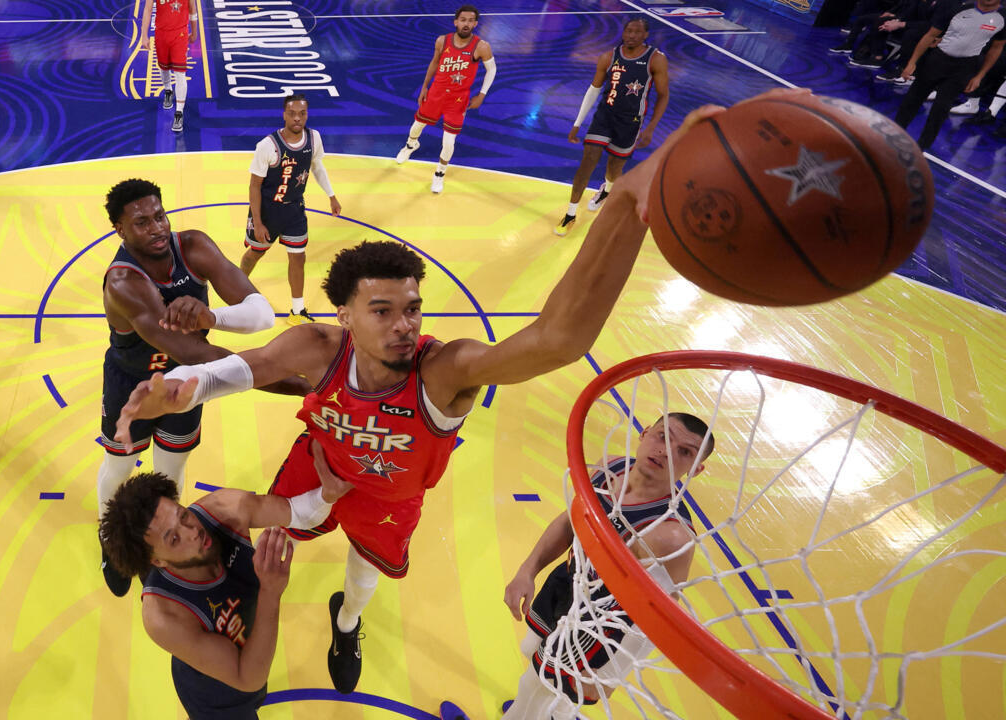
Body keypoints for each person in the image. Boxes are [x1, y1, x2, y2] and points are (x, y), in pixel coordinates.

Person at [112, 93, 762, 694]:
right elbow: (244, 368)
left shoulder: (445, 372)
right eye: (382, 311)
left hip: (390, 495)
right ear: (345, 315)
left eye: (413, 309)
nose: (404, 326)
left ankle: (347, 623)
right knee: (265, 521)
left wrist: (626, 205)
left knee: (363, 575)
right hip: (321, 464)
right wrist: (184, 389)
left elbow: (559, 339)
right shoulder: (316, 346)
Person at [98, 177, 308, 597]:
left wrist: (212, 317)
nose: (157, 228)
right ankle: (111, 541)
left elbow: (260, 313)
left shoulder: (192, 246)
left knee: (171, 467)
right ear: (120, 230)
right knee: (121, 466)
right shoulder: (124, 282)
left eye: (159, 216)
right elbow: (197, 353)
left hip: (186, 384)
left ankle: (164, 541)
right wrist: (301, 385)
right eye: (142, 223)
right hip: (134, 385)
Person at [98, 439, 353, 719]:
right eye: (174, 539)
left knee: (258, 691)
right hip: (216, 698)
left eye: (183, 516)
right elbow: (247, 677)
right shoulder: (163, 617)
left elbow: (298, 513)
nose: (192, 531)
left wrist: (327, 495)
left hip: (252, 650)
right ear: (156, 561)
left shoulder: (222, 509)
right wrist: (270, 593)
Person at [501, 413, 715, 716]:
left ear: (696, 469)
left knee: (539, 684)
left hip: (602, 619)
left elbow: (658, 619)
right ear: (644, 433)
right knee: (533, 655)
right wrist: (527, 570)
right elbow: (570, 522)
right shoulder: (609, 467)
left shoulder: (671, 536)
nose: (666, 451)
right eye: (663, 436)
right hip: (571, 578)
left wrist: (611, 672)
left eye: (685, 452)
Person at [554, 18, 669, 236]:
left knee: (615, 168)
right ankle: (570, 214)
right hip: (604, 116)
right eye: (628, 31)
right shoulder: (608, 57)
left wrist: (651, 128)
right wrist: (577, 123)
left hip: (631, 121)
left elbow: (663, 95)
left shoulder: (656, 59)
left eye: (637, 32)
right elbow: (593, 90)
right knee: (588, 160)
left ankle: (606, 190)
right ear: (623, 32)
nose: (631, 35)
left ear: (645, 35)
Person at [239, 94, 342, 326]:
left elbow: (317, 167)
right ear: (284, 115)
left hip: (295, 210)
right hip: (267, 211)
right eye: (292, 114)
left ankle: (297, 310)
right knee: (255, 253)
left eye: (302, 114)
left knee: (298, 257)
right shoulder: (267, 146)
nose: (297, 118)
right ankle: (235, 285)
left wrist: (331, 196)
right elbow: (254, 186)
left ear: (307, 115)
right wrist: (258, 222)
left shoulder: (314, 138)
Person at [394, 5, 497, 194]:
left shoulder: (481, 46)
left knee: (448, 142)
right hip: (436, 93)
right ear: (455, 22)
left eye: (470, 21)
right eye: (463, 20)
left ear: (475, 24)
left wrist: (482, 94)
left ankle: (439, 174)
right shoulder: (442, 41)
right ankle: (411, 145)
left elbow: (492, 69)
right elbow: (434, 62)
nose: (466, 24)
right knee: (417, 125)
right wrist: (424, 86)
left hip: (458, 100)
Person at [894, 0, 1005, 149]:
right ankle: (893, 136)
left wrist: (979, 76)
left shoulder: (1003, 17)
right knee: (912, 100)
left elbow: (997, 47)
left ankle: (922, 147)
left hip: (965, 67)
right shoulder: (958, 8)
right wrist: (912, 62)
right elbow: (930, 35)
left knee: (940, 110)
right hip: (938, 59)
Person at [141, 0, 199, 133]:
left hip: (180, 34)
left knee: (180, 73)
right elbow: (147, 9)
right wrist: (144, 35)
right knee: (163, 67)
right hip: (161, 33)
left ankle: (179, 113)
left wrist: (194, 32)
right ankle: (168, 90)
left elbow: (192, 10)